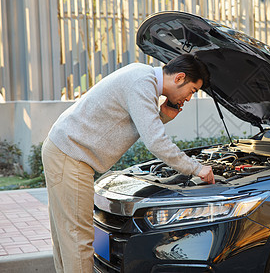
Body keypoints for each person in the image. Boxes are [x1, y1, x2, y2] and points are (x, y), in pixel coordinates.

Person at [41, 54, 215, 273]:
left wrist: (161, 116)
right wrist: (197, 169)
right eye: (192, 91)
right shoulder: (142, 84)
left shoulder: (142, 77)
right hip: (70, 156)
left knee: (67, 236)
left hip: (64, 151)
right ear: (179, 78)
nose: (189, 98)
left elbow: (133, 123)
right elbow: (156, 142)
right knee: (78, 239)